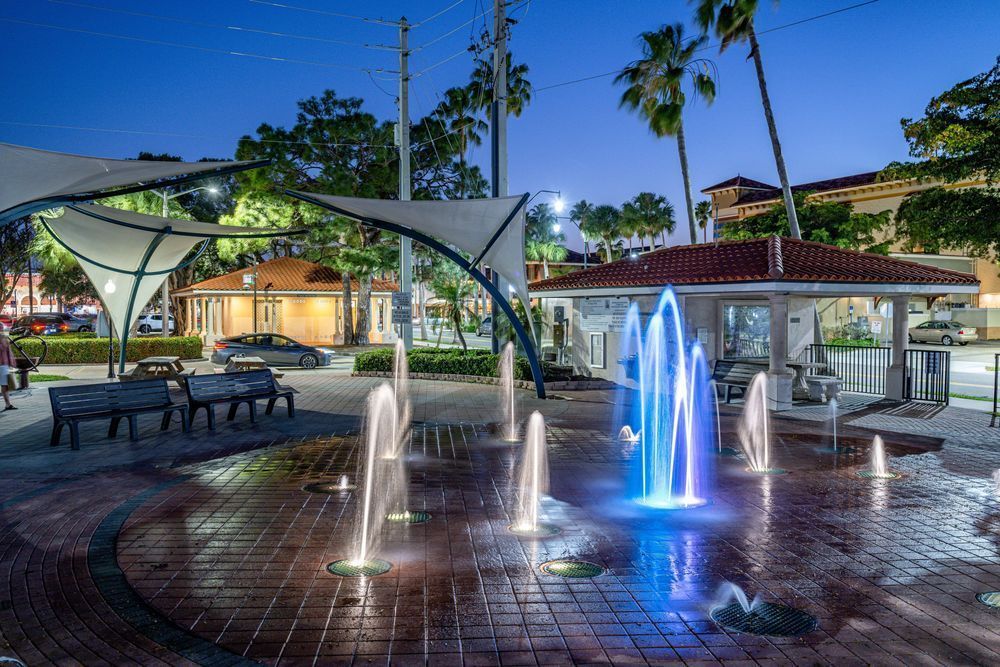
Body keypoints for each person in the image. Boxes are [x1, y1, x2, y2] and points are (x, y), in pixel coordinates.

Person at [0, 333, 17, 411]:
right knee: (4, 386)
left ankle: (8, 404)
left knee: (5, 386)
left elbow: (10, 354)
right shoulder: (4, 343)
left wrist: (12, 364)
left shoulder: (5, 342)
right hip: (3, 366)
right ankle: (8, 404)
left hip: (4, 366)